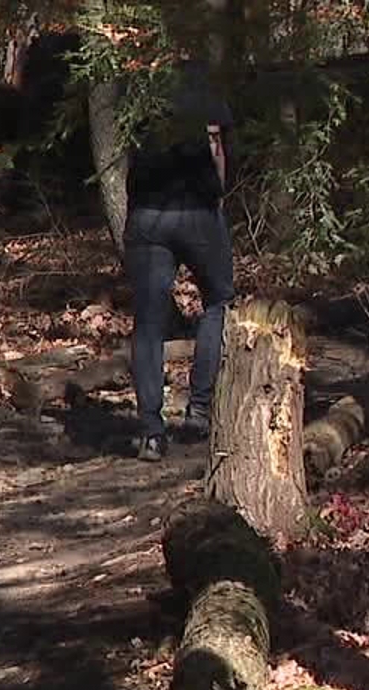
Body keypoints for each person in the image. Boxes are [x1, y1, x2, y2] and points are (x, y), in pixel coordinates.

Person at [125, 58, 236, 463]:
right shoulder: (203, 82)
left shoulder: (137, 87)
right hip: (196, 213)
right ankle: (199, 408)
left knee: (149, 324)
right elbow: (215, 145)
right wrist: (216, 194)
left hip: (146, 218)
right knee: (219, 300)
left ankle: (152, 432)